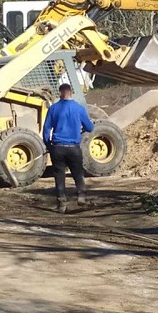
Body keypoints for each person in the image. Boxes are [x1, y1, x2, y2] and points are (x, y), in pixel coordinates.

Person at [42, 82, 94, 214]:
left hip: (58, 148)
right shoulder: (79, 108)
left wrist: (48, 144)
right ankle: (81, 195)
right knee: (77, 172)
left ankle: (62, 203)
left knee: (59, 175)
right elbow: (90, 127)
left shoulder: (53, 108)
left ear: (60, 93)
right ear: (71, 93)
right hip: (73, 147)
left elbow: (46, 129)